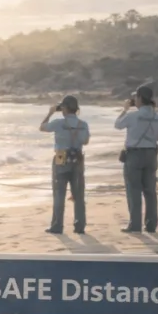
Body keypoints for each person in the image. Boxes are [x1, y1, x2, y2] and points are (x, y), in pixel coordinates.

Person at [115, 84, 158, 233]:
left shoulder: (132, 116)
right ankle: (151, 224)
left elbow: (117, 125)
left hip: (134, 154)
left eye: (136, 97)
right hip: (151, 154)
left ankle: (135, 225)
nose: (134, 100)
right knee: (150, 191)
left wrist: (124, 109)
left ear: (140, 98)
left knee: (134, 189)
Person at [39, 94, 90, 234]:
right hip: (78, 158)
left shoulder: (58, 123)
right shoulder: (83, 124)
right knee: (78, 194)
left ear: (65, 108)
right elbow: (85, 141)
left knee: (59, 193)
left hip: (61, 157)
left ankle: (57, 225)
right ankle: (80, 225)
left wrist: (50, 113)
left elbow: (42, 127)